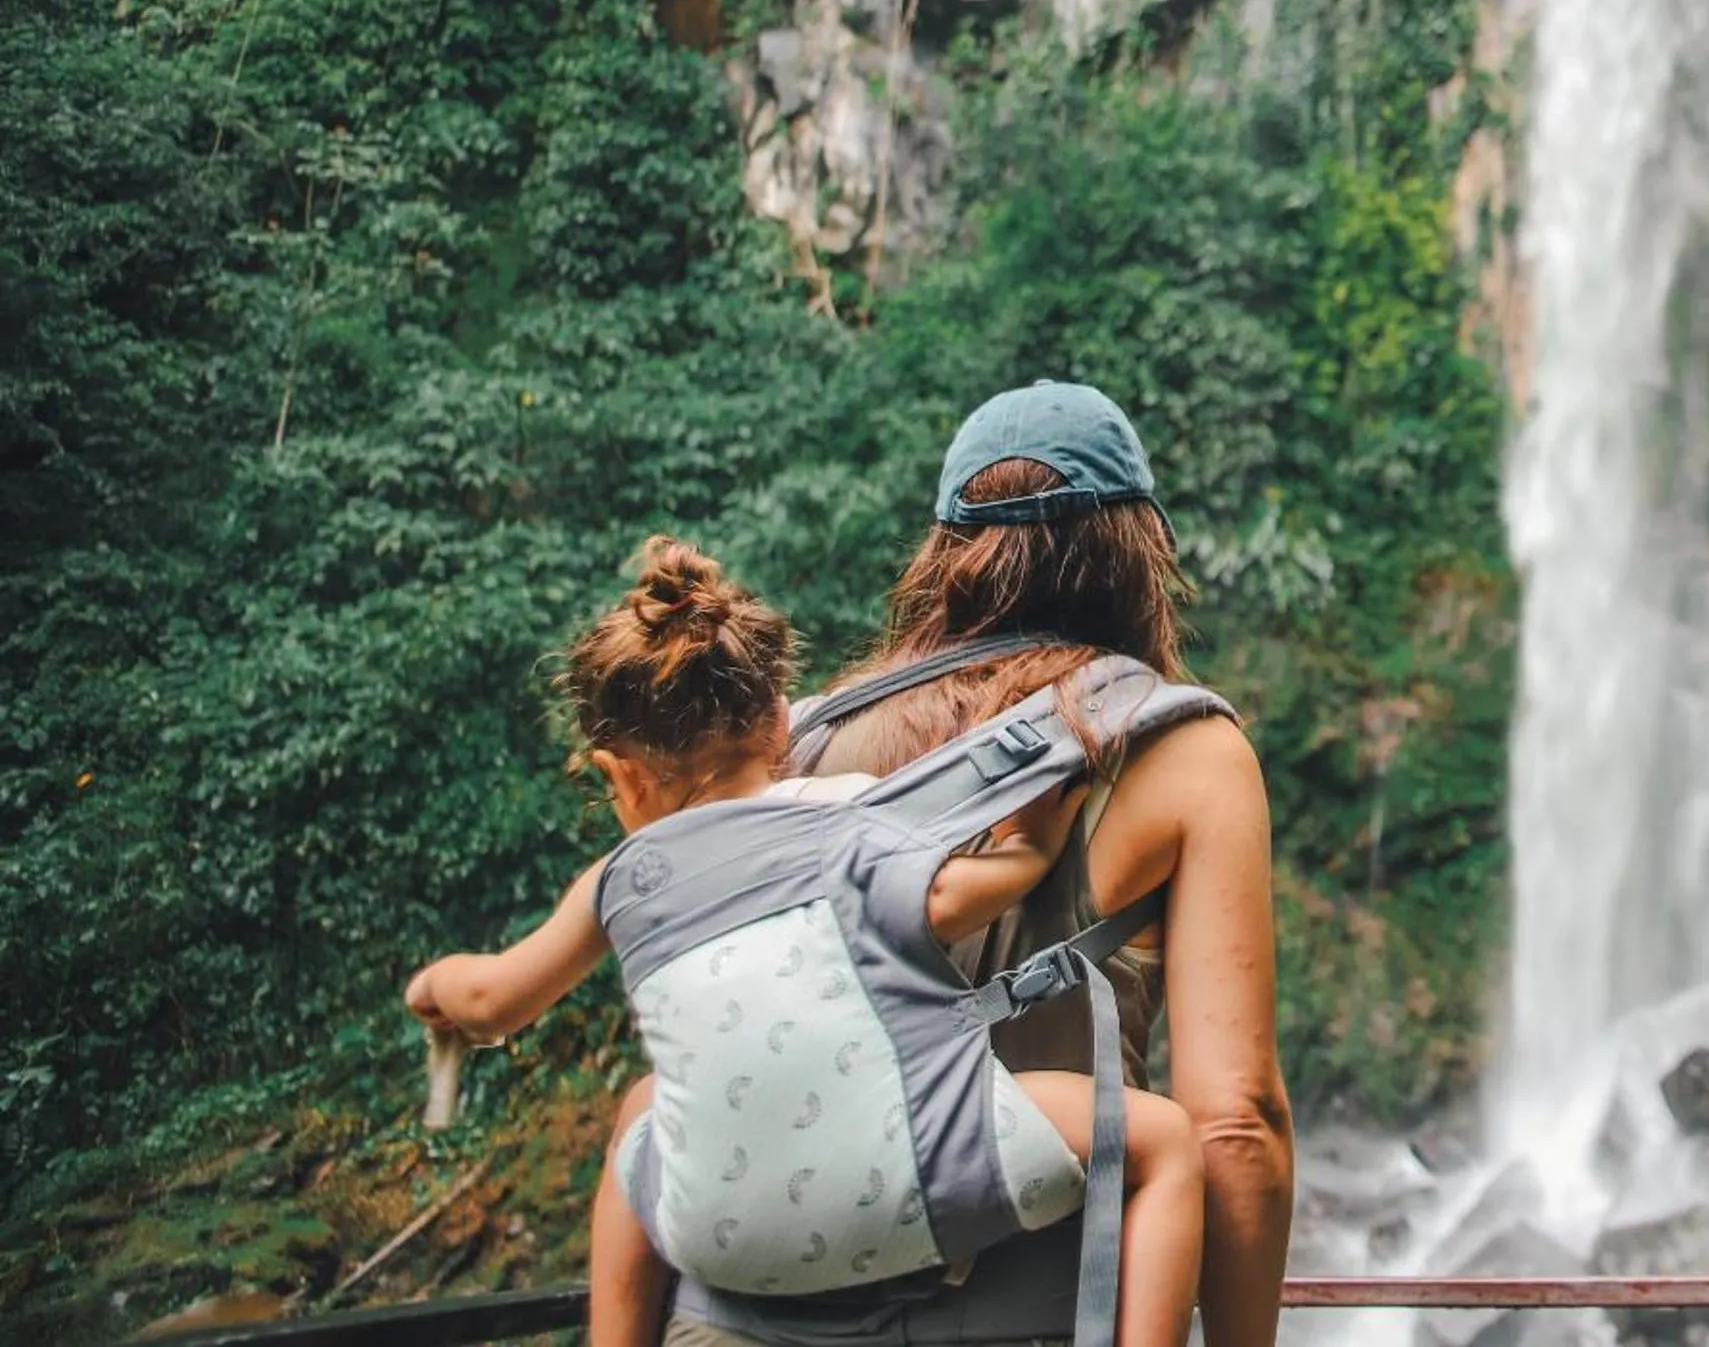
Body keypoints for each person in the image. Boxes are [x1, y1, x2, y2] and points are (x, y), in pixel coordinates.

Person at [402, 537, 1206, 1347]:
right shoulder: (852, 821)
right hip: (926, 1191)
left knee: (639, 1114)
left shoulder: (622, 879)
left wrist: (436, 991)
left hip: (718, 1237)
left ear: (620, 776)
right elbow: (957, 898)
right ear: (783, 721)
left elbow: (491, 1000)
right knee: (1163, 1144)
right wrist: (1028, 846)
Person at [664, 379, 1295, 1347]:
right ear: (1138, 551)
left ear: (944, 552)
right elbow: (1236, 1123)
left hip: (746, 1318)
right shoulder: (1182, 753)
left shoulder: (805, 741)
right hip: (1023, 1315)